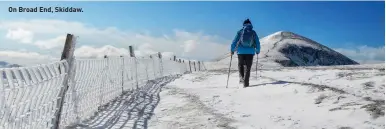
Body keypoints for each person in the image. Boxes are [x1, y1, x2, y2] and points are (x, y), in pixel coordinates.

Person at [230, 19, 261, 87]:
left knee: (240, 65)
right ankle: (246, 84)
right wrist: (258, 50)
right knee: (248, 68)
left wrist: (232, 50)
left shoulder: (240, 32)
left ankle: (241, 77)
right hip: (250, 52)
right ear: (250, 24)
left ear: (243, 24)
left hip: (240, 52)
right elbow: (257, 42)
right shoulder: (253, 32)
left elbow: (234, 41)